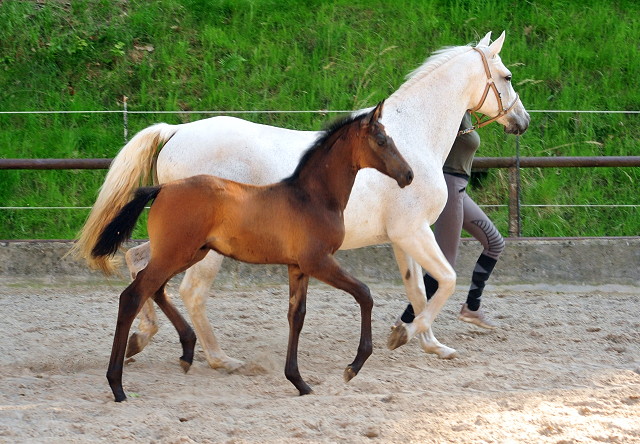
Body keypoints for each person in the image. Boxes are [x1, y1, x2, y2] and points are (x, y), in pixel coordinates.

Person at [400, 112, 505, 329]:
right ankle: (405, 320)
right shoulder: (451, 110)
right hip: (448, 185)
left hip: (458, 188)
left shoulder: (464, 110)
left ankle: (472, 308)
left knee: (494, 243)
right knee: (443, 264)